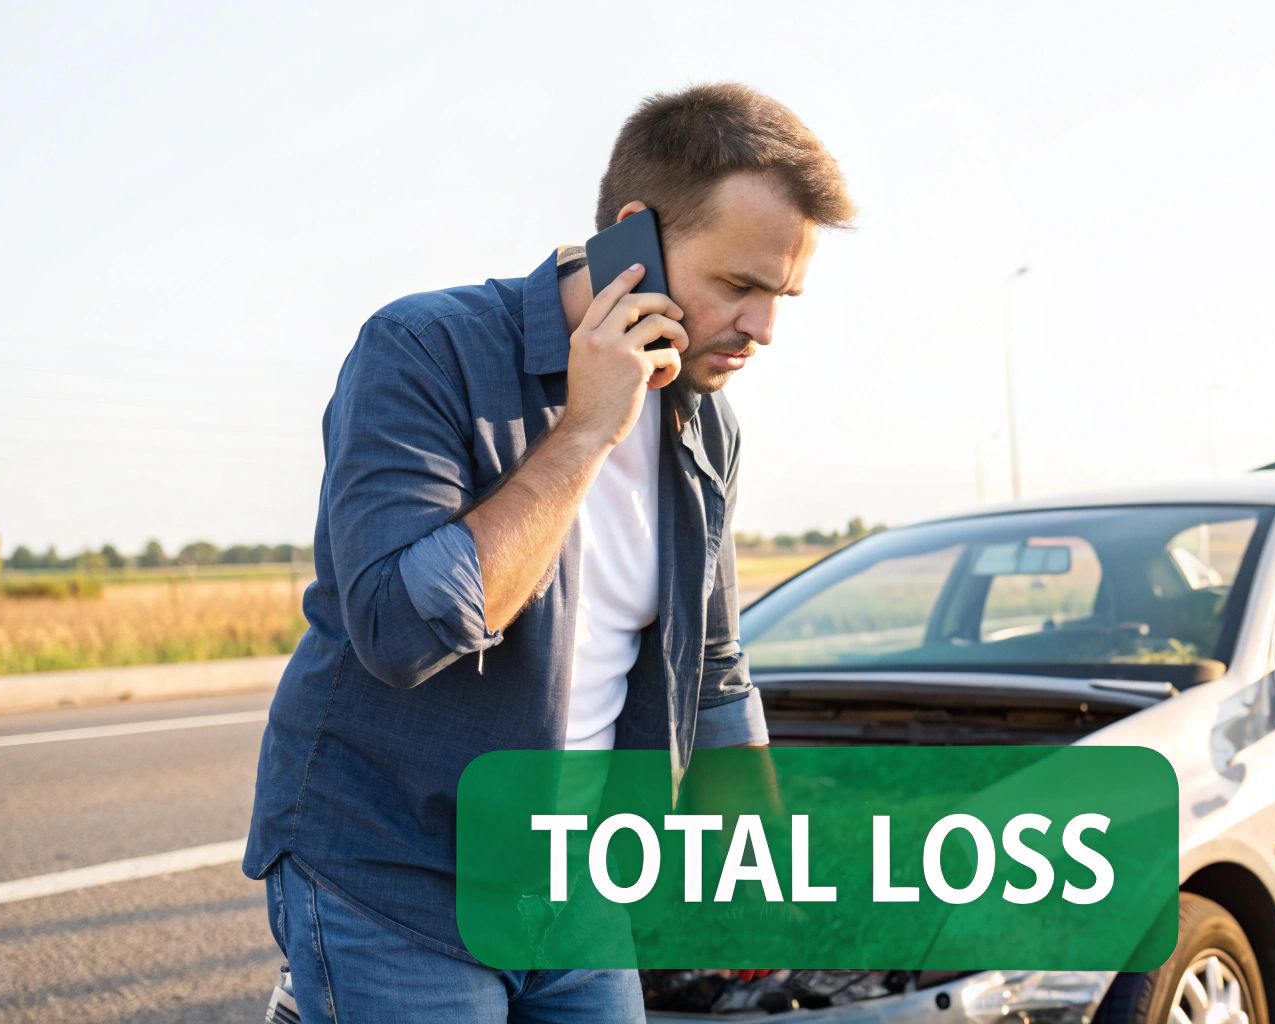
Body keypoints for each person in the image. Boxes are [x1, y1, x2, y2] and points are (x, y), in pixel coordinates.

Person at [242, 82, 855, 1021]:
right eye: (740, 286)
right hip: (395, 877)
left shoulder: (705, 426)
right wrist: (584, 432)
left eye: (783, 296)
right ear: (633, 240)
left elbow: (715, 667)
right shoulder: (424, 350)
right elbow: (404, 630)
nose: (765, 329)